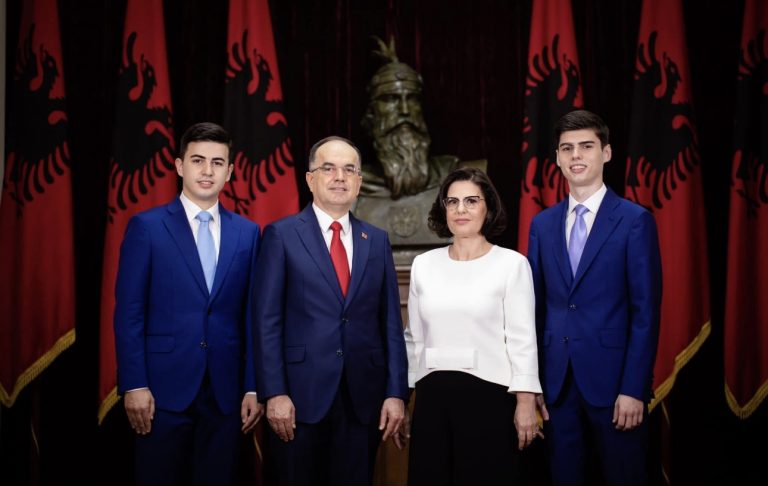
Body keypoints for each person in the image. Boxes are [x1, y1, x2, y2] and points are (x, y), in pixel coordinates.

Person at [253, 136, 409, 486]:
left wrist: (395, 392)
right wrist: (274, 392)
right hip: (298, 398)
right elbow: (266, 321)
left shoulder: (377, 240)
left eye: (349, 170)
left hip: (362, 399)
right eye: (329, 168)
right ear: (311, 179)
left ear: (359, 182)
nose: (340, 177)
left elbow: (389, 324)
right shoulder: (281, 235)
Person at [113, 122, 263, 485]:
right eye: (198, 160)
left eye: (217, 162)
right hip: (161, 390)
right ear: (180, 166)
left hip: (225, 393)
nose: (207, 170)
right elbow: (129, 312)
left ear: (230, 171)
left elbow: (253, 316)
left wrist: (252, 386)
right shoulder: (147, 227)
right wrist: (134, 384)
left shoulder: (248, 233)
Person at [527, 110, 662, 486]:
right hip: (557, 384)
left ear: (606, 153)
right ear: (557, 158)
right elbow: (534, 309)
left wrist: (633, 388)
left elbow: (645, 312)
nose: (576, 155)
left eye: (586, 146)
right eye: (567, 148)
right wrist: (533, 382)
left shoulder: (635, 220)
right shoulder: (542, 224)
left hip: (615, 384)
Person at [403, 166, 543, 485]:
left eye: (471, 201)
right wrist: (404, 397)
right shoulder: (423, 265)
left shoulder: (512, 264)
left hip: (490, 400)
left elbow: (522, 339)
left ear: (488, 207)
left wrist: (525, 402)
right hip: (432, 401)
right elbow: (414, 339)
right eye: (452, 202)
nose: (460, 209)